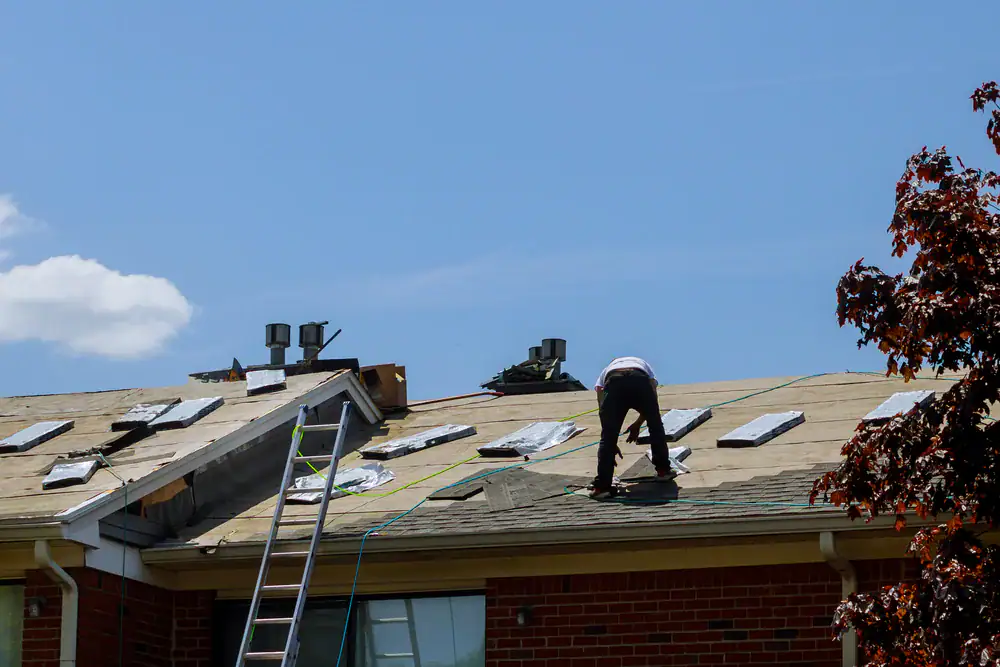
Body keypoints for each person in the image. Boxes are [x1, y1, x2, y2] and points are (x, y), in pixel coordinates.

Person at [590, 356, 674, 499]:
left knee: (608, 436)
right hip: (639, 379)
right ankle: (663, 471)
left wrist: (610, 442)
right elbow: (653, 397)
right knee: (655, 426)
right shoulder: (642, 364)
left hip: (614, 382)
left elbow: (602, 406)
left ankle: (602, 487)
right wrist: (641, 422)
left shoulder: (607, 370)